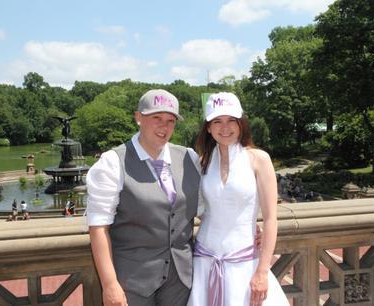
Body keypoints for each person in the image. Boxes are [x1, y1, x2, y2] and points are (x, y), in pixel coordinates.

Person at [86, 89, 200, 306]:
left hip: (181, 280)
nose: (164, 126)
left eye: (170, 120)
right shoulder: (112, 162)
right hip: (133, 282)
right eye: (156, 118)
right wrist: (110, 284)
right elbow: (98, 227)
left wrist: (247, 227)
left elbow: (206, 207)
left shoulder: (189, 157)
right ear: (138, 117)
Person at [187, 92, 289, 306]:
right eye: (217, 121)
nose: (225, 128)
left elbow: (271, 218)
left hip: (244, 263)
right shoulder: (203, 162)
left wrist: (262, 271)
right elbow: (201, 209)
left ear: (241, 123)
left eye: (231, 120)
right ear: (208, 127)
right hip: (205, 259)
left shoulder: (258, 159)